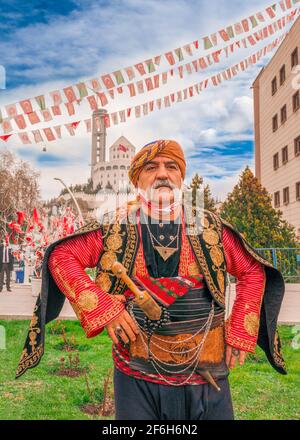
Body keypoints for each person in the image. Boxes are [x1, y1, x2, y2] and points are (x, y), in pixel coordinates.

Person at [16, 139, 286, 420]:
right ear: (137, 180)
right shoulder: (113, 227)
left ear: (181, 176)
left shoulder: (212, 228)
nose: (162, 174)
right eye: (150, 167)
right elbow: (62, 256)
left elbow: (253, 270)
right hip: (136, 374)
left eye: (171, 166)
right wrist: (104, 310)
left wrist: (241, 329)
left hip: (206, 370)